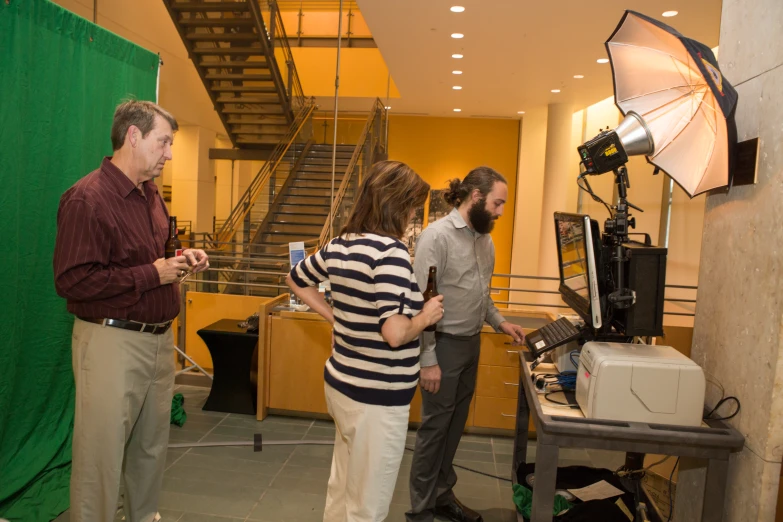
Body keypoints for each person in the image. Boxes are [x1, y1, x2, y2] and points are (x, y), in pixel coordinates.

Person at [53, 100, 209, 522]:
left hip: (158, 343)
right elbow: (72, 281)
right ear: (133, 136)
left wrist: (181, 256)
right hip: (110, 342)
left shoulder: (151, 196)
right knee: (100, 456)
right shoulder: (87, 199)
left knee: (150, 449)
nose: (170, 154)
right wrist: (151, 275)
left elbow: (157, 255)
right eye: (164, 142)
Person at [286, 160, 444, 522]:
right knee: (367, 506)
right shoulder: (391, 253)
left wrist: (335, 316)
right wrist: (426, 316)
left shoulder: (341, 244)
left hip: (342, 386)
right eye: (412, 207)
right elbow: (394, 333)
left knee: (342, 488)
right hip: (378, 398)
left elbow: (296, 279)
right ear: (397, 205)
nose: (412, 217)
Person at [407, 166, 527, 522]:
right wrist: (427, 358)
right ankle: (420, 510)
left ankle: (442, 496)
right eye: (497, 203)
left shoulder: (483, 239)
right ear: (476, 197)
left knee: (454, 427)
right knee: (434, 430)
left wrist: (501, 322)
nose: (501, 212)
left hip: (471, 343)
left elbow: (482, 295)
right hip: (441, 346)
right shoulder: (436, 237)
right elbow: (422, 302)